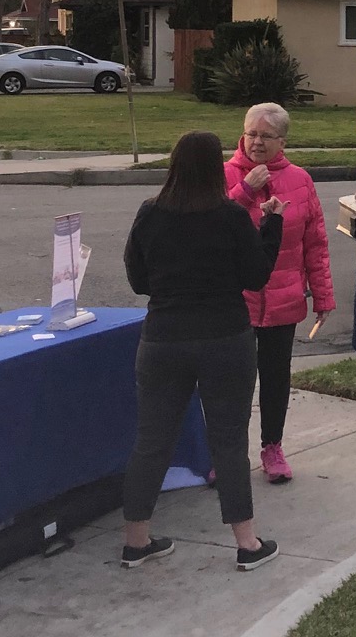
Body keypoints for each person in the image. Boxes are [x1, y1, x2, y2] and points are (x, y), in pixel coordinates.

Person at [120, 129, 285, 571]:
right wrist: (272, 226)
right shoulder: (229, 216)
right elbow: (255, 276)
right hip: (224, 337)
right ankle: (247, 544)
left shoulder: (150, 213)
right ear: (216, 168)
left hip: (163, 338)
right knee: (229, 441)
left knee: (152, 441)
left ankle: (136, 541)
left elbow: (138, 281)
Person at [226, 102, 335, 484]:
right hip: (235, 301)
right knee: (232, 381)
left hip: (284, 298)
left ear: (282, 141)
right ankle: (226, 454)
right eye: (250, 133)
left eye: (265, 136)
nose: (255, 142)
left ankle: (273, 447)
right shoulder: (224, 175)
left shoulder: (301, 180)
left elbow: (315, 243)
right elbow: (210, 226)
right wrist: (244, 189)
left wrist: (322, 297)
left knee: (275, 378)